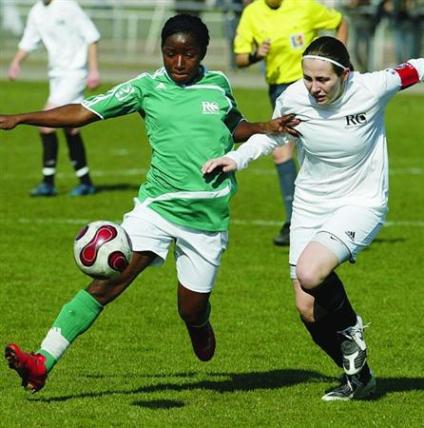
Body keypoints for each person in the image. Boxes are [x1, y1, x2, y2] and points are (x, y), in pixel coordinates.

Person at [0, 14, 298, 393]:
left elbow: (232, 124)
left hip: (206, 219)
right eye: (170, 53)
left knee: (190, 309)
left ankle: (199, 323)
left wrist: (263, 126)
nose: (178, 63)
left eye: (187, 54)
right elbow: (84, 111)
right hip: (156, 208)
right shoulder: (146, 87)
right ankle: (42, 361)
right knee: (107, 283)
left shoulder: (218, 83)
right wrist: (21, 118)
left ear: (203, 52)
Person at [203, 36, 424, 400]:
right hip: (309, 204)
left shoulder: (371, 87)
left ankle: (352, 328)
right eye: (308, 78)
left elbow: (416, 67)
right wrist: (236, 159)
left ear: (346, 75)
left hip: (361, 202)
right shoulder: (292, 98)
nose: (314, 87)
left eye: (323, 80)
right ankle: (360, 378)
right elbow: (273, 136)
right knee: (307, 309)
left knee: (311, 272)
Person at [233, 0, 348, 246]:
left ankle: (300, 220)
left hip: (313, 86)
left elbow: (340, 22)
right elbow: (240, 59)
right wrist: (256, 55)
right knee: (290, 151)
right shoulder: (252, 13)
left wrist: (339, 63)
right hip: (280, 90)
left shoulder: (305, 6)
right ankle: (302, 219)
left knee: (296, 150)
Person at [8, 0, 101, 197]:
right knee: (71, 127)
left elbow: (92, 37)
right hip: (56, 76)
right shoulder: (37, 11)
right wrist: (16, 62)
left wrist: (93, 71)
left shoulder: (68, 6)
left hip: (74, 73)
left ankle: (47, 183)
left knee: (46, 125)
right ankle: (86, 183)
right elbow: (28, 41)